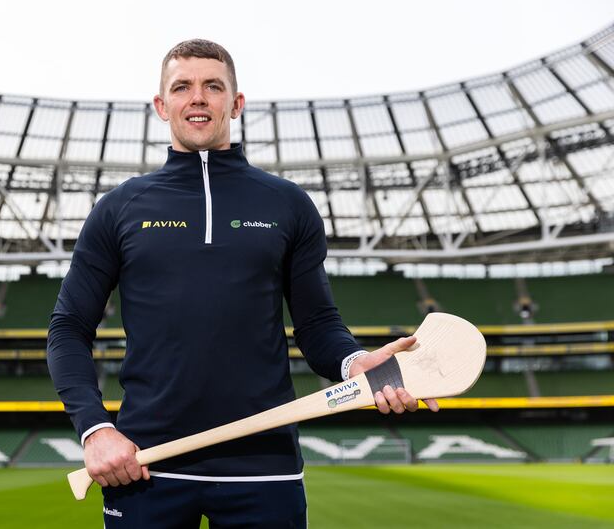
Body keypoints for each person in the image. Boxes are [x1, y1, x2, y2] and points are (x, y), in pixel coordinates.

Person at [47, 39, 438, 528]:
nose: (197, 97)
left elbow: (317, 324)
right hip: (145, 464)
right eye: (182, 86)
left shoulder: (287, 204)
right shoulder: (119, 208)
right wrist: (95, 429)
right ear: (161, 104)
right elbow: (68, 328)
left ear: (236, 103)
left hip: (265, 469)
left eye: (213, 86)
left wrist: (356, 362)